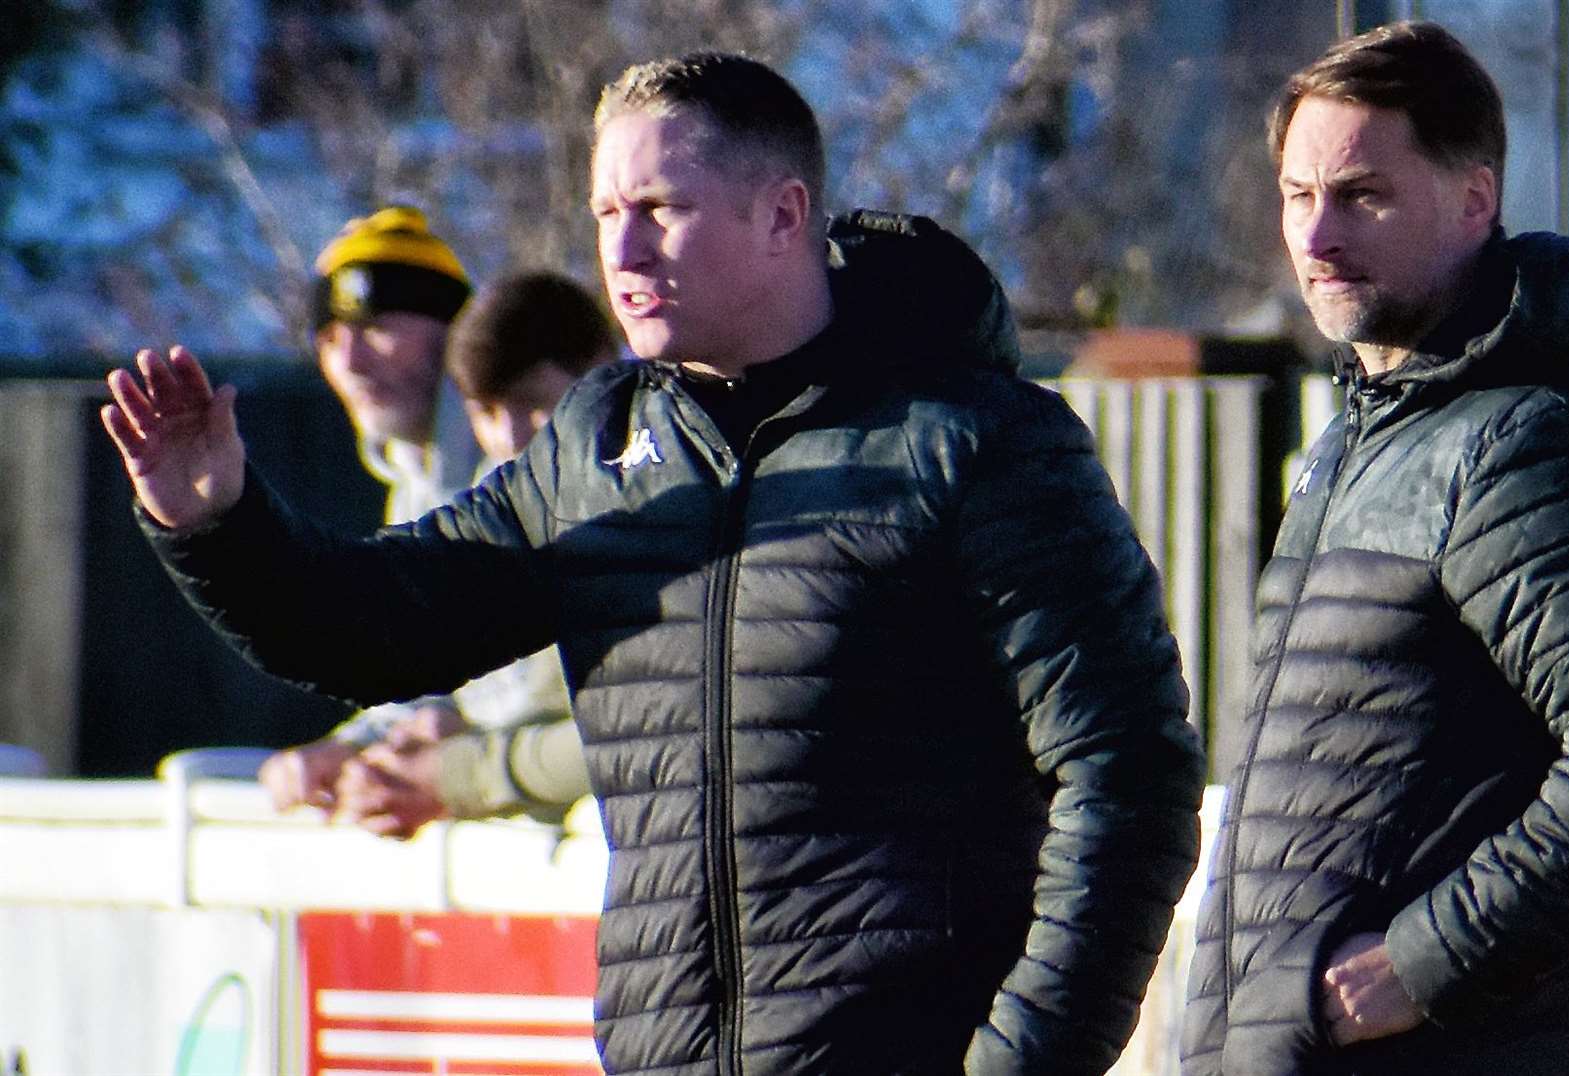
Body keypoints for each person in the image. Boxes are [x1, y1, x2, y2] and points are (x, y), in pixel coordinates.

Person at [102, 51, 1204, 1075]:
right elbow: (374, 625)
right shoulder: (599, 443)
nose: (621, 255)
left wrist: (1021, 1060)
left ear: (783, 216)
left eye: (661, 211)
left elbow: (1130, 773)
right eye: (606, 214)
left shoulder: (974, 438)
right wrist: (216, 519)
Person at [1180, 22, 1569, 1075]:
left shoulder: (1531, 436)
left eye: (1362, 195)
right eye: (1299, 195)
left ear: (1474, 200)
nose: (1317, 235)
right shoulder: (1364, 431)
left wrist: (1421, 962)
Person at [331, 270, 619, 839]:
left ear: (605, 372)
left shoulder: (665, 506)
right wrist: (447, 732)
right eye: (485, 412)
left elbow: (649, 732)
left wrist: (460, 774)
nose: (510, 438)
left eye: (533, 403)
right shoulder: (523, 517)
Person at [255, 205, 488, 812]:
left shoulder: (522, 460)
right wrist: (349, 747)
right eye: (330, 338)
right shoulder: (413, 479)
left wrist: (477, 747)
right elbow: (426, 678)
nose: (351, 361)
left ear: (458, 332)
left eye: (377, 325)